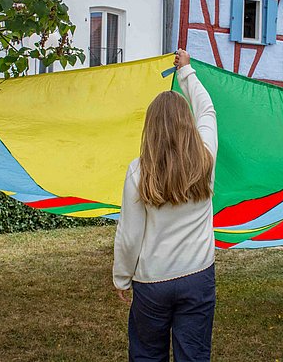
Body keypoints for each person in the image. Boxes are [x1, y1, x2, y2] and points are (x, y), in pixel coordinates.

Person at [113, 49, 217, 361]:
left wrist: (121, 277)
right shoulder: (206, 157)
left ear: (151, 128)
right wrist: (186, 72)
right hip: (198, 275)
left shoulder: (138, 170)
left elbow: (129, 235)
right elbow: (207, 110)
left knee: (146, 355)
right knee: (193, 355)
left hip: (152, 282)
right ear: (189, 124)